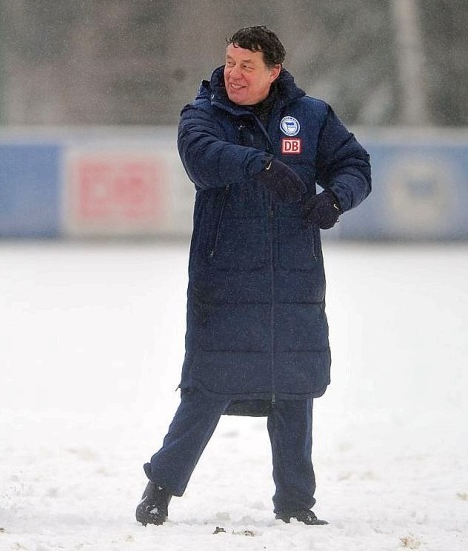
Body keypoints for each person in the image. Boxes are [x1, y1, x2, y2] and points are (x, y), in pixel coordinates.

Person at [135, 26, 371, 527]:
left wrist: (336, 198)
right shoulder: (204, 113)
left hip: (294, 278)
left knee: (294, 388)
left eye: (246, 65)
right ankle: (160, 488)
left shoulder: (311, 117)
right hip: (225, 279)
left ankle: (296, 503)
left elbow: (354, 164)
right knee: (206, 387)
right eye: (229, 61)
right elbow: (200, 156)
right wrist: (258, 165)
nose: (233, 73)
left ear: (274, 72)